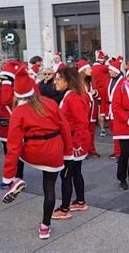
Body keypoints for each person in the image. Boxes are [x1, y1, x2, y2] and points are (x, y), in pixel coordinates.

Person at [1, 66, 73, 239]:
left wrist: (8, 176)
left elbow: (13, 146)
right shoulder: (50, 103)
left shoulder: (18, 112)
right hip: (54, 149)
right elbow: (65, 129)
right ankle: (45, 227)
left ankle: (16, 180)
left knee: (17, 151)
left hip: (33, 152)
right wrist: (68, 153)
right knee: (49, 188)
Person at [51, 67, 90, 220]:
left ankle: (65, 208)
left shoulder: (72, 97)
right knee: (75, 173)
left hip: (74, 142)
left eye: (58, 79)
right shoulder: (71, 95)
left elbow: (82, 122)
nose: (55, 82)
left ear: (67, 81)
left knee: (66, 175)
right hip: (74, 140)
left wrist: (75, 144)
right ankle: (80, 201)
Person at [0, 61, 25, 188]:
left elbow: (6, 100)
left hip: (16, 126)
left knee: (17, 154)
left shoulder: (18, 88)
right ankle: (11, 177)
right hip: (4, 127)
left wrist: (6, 82)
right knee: (8, 154)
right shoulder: (2, 87)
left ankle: (17, 178)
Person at [77, 60, 100, 158]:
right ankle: (83, 150)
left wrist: (95, 93)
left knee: (91, 130)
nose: (91, 70)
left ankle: (91, 149)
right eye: (89, 68)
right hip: (83, 110)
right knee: (83, 131)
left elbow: (96, 92)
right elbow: (80, 96)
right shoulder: (77, 83)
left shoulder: (90, 80)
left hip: (92, 109)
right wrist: (91, 94)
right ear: (83, 70)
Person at [106, 56, 125, 161]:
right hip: (111, 110)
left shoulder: (122, 81)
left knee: (118, 132)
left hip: (118, 110)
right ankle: (117, 151)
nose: (109, 71)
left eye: (110, 70)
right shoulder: (111, 80)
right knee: (114, 132)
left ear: (115, 71)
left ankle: (119, 153)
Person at [91, 51, 109, 138]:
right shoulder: (102, 68)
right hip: (104, 91)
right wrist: (108, 59)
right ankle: (106, 127)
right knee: (104, 109)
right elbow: (113, 67)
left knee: (99, 110)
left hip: (96, 91)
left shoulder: (92, 68)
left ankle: (102, 129)